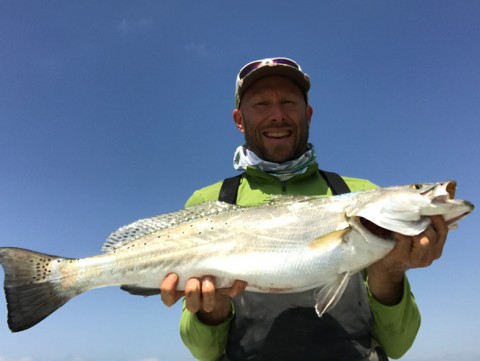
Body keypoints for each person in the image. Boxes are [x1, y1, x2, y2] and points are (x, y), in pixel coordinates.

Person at [160, 57, 448, 361]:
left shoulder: (360, 192)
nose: (277, 115)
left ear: (308, 114)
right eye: (261, 104)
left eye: (289, 102)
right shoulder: (209, 202)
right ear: (239, 119)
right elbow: (203, 352)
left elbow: (398, 344)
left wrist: (390, 271)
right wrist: (212, 310)